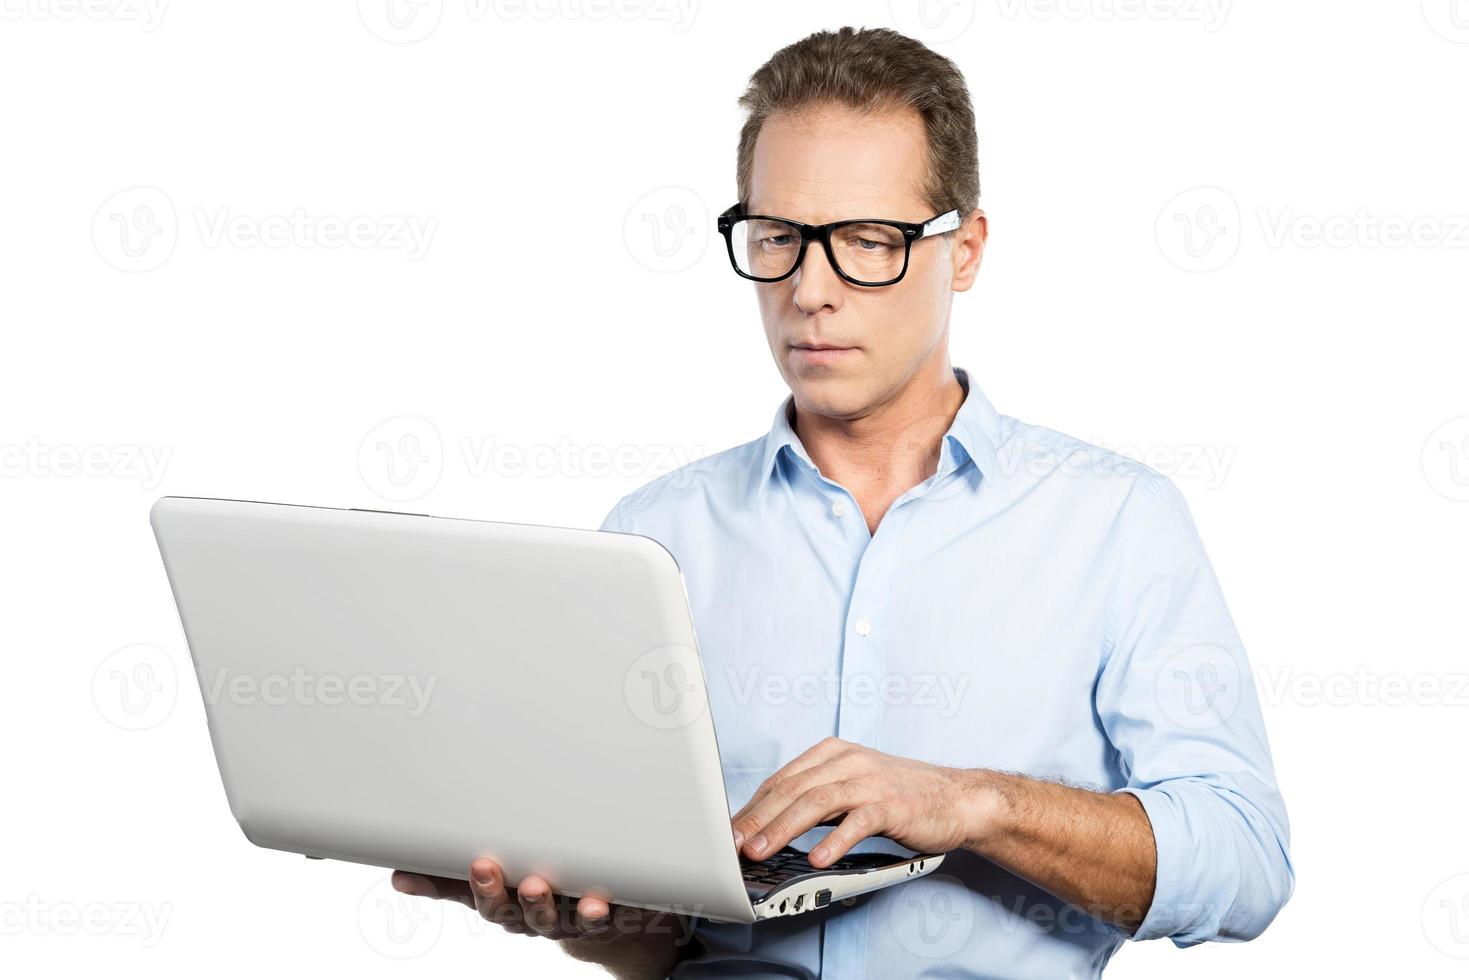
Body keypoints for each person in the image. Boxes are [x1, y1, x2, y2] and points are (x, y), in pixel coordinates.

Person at [390, 25, 1293, 978]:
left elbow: (1244, 862)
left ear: (966, 249)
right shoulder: (654, 538)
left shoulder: (1116, 523)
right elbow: (655, 941)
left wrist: (973, 803)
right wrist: (577, 917)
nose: (809, 290)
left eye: (868, 241)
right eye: (777, 237)